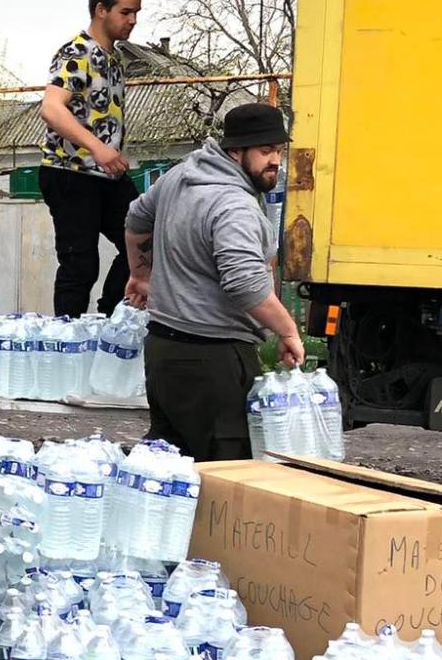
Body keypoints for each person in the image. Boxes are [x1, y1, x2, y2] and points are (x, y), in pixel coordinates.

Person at [121, 102, 305, 462]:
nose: (276, 161)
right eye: (265, 151)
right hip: (213, 358)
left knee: (167, 469)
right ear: (236, 152)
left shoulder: (180, 176)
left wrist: (141, 274)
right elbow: (244, 284)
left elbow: (136, 218)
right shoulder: (234, 205)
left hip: (163, 352)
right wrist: (287, 332)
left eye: (279, 151)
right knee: (224, 475)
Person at [39, 0, 142, 316]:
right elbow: (51, 108)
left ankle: (110, 318)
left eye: (136, 13)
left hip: (107, 176)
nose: (133, 21)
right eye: (125, 12)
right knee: (80, 265)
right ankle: (67, 344)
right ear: (101, 10)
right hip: (70, 172)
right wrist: (98, 148)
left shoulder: (113, 58)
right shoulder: (77, 52)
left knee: (146, 242)